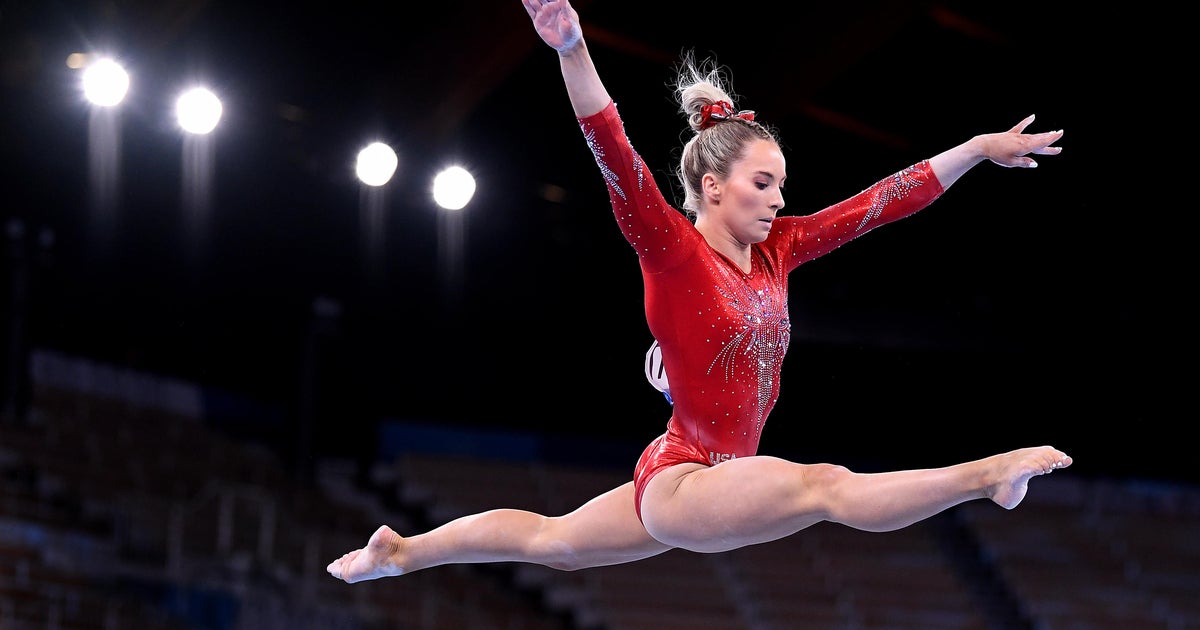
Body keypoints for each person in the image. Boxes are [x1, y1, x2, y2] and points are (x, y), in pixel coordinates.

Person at [326, 0, 1071, 583]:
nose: (779, 199)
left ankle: (402, 552)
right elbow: (613, 149)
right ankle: (986, 476)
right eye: (763, 183)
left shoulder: (780, 250)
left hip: (699, 470)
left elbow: (881, 202)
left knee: (553, 542)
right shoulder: (671, 251)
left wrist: (977, 149)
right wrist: (572, 48)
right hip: (685, 481)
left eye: (781, 184)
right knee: (824, 488)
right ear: (712, 187)